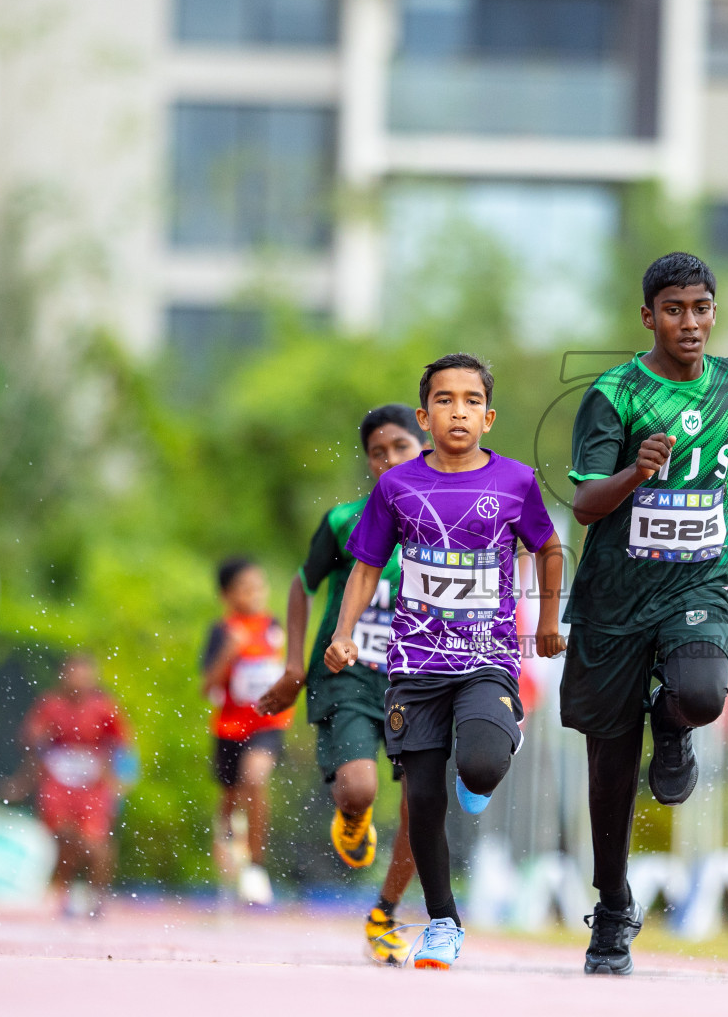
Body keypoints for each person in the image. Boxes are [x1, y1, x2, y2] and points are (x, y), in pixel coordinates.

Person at [560, 252, 728, 975]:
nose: (688, 323)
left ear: (713, 312)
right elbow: (585, 502)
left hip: (699, 580)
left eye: (700, 309)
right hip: (616, 597)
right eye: (673, 310)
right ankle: (611, 905)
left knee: (698, 693)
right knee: (608, 758)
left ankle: (673, 725)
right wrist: (638, 469)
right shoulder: (614, 395)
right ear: (648, 317)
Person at [324, 353, 565, 970]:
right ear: (425, 415)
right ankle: (442, 922)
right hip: (415, 668)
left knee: (481, 766)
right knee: (422, 804)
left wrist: (545, 620)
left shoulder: (515, 481)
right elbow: (367, 566)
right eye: (443, 400)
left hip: (486, 659)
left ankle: (477, 767)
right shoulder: (396, 487)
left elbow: (548, 546)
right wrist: (345, 632)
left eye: (469, 401)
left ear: (488, 416)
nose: (457, 410)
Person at [258, 403, 424, 965]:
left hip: (418, 676)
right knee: (360, 790)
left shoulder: (451, 518)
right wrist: (294, 666)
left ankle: (385, 913)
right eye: (377, 453)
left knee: (420, 807)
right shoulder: (344, 522)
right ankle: (351, 815)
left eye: (400, 446)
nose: (389, 459)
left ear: (422, 445)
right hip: (346, 672)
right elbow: (302, 586)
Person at [201, 557, 292, 906]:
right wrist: (228, 652)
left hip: (267, 724)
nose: (255, 594)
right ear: (227, 594)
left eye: (260, 586)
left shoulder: (273, 626)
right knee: (230, 799)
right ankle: (226, 845)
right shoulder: (220, 631)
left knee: (254, 779)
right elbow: (206, 685)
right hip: (229, 728)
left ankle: (256, 867)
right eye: (246, 588)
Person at [19, 653, 132, 918]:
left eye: (84, 674)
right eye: (72, 674)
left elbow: (123, 745)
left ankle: (97, 897)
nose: (78, 680)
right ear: (63, 677)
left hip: (94, 786)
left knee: (96, 844)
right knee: (63, 837)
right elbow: (32, 739)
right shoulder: (50, 705)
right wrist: (36, 752)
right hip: (58, 785)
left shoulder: (105, 707)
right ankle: (64, 892)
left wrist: (121, 780)